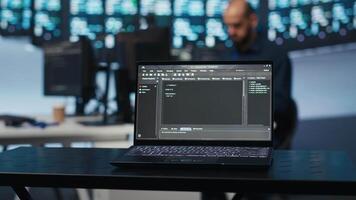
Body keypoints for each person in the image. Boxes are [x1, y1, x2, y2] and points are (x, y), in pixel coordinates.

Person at [201, 0, 297, 199]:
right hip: (226, 132)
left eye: (236, 25)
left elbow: (279, 104)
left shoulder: (276, 56)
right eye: (227, 25)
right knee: (202, 165)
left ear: (252, 20)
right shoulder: (225, 55)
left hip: (260, 135)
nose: (231, 32)